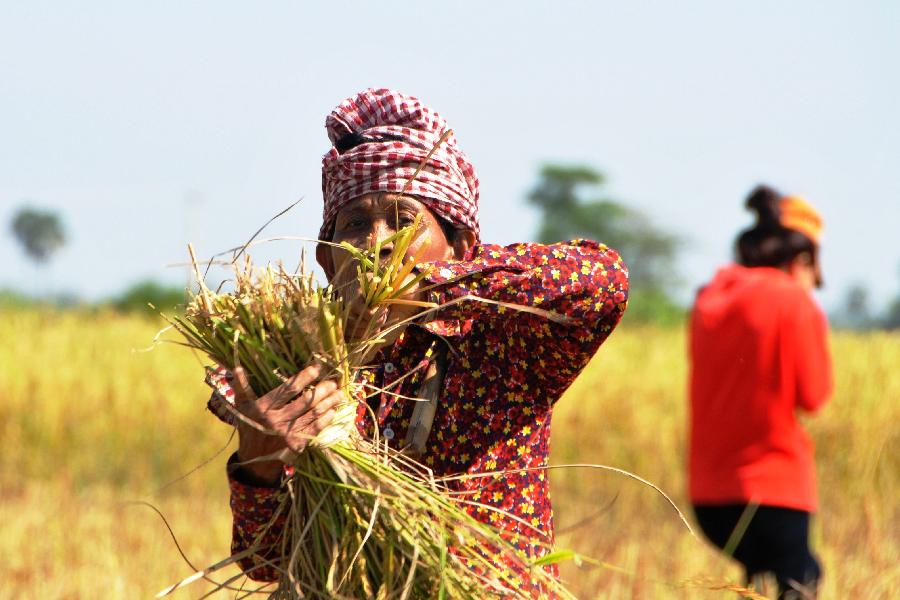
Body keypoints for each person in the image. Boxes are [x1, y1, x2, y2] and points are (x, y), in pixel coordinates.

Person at [207, 88, 630, 594]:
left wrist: (435, 287)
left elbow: (603, 280)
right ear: (327, 259)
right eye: (356, 224)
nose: (377, 243)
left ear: (461, 246)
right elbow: (266, 563)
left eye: (403, 221)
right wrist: (261, 457)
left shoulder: (500, 343)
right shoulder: (297, 373)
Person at [688, 185, 833, 599]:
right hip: (776, 490)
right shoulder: (793, 302)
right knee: (801, 575)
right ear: (802, 257)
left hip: (710, 498)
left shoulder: (708, 298)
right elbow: (815, 395)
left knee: (757, 582)